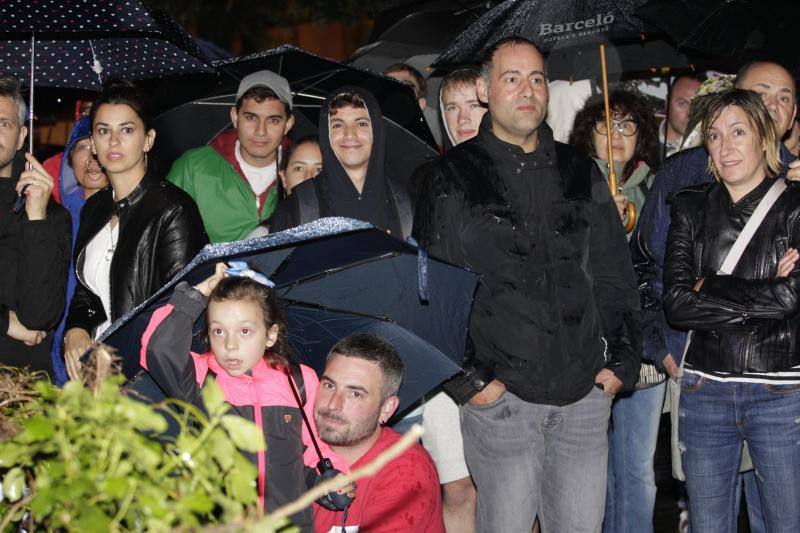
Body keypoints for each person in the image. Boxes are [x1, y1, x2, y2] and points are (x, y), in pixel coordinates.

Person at [413, 37, 641, 532]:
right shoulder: (450, 176)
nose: (527, 90)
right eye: (511, 78)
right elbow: (431, 293)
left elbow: (612, 273)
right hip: (502, 403)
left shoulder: (579, 169)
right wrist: (473, 385)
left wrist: (618, 362)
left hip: (584, 396)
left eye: (536, 78)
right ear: (484, 89)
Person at [632, 60, 800, 532]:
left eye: (738, 133)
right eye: (715, 135)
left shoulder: (795, 205)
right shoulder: (686, 199)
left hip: (778, 389)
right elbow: (677, 303)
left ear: (765, 135)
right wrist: (765, 298)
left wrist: (712, 287)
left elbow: (792, 299)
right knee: (708, 524)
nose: (725, 146)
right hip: (704, 387)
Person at [140, 262, 347, 529]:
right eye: (218, 331)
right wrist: (199, 294)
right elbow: (159, 348)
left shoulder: (299, 380)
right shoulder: (200, 377)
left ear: (270, 335)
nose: (230, 345)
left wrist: (332, 479)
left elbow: (312, 450)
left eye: (245, 331)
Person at [63, 79, 207, 380]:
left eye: (126, 130)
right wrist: (76, 329)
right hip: (97, 371)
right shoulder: (95, 207)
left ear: (148, 139)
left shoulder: (173, 210)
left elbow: (183, 311)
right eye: (104, 131)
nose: (113, 142)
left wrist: (129, 370)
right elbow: (88, 292)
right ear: (93, 139)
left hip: (149, 376)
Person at [570, 90, 664, 533]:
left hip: (643, 347)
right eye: (605, 126)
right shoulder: (571, 186)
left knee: (636, 468)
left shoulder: (658, 186)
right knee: (590, 471)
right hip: (588, 345)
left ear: (642, 135)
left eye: (627, 126)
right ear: (588, 135)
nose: (616, 136)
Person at [418, 66, 485, 533]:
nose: (463, 119)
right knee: (457, 485)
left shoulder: (521, 172)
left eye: (473, 105)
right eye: (452, 108)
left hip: (506, 354)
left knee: (512, 486)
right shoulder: (424, 177)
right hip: (443, 352)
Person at [313, 333, 445, 533]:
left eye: (355, 393)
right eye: (329, 385)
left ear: (387, 408)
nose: (333, 404)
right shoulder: (289, 446)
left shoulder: (406, 470)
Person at [167, 71, 294, 242]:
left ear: (288, 123)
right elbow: (162, 235)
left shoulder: (306, 169)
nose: (260, 131)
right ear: (235, 117)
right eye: (251, 117)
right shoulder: (192, 168)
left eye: (273, 120)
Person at [270, 87, 413, 239]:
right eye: (338, 125)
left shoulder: (405, 204)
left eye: (361, 124)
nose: (350, 134)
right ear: (326, 134)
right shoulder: (296, 208)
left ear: (377, 131)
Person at [0, 77, 72, 375]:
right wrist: (5, 323)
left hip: (19, 389)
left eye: (3, 123)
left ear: (21, 136)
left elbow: (39, 317)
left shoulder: (50, 216)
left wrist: (36, 219)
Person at [49, 116, 109, 384]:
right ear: (70, 159)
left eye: (99, 145)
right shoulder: (51, 216)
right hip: (52, 347)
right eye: (83, 146)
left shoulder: (130, 217)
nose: (93, 157)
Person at [384, 62, 443, 148]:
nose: (395, 90)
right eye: (388, 84)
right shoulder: (364, 141)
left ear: (420, 105)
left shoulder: (432, 151)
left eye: (405, 86)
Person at [660, 76, 702, 158]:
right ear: (667, 103)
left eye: (697, 106)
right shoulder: (643, 144)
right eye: (682, 103)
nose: (690, 114)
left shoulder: (711, 150)